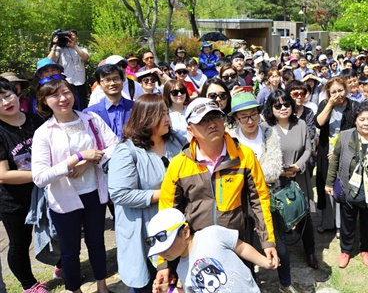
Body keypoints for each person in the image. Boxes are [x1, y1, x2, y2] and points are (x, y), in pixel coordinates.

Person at [155, 98, 277, 287]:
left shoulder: (244, 156)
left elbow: (260, 200)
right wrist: (164, 262)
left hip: (237, 245)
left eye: (215, 117)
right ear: (190, 129)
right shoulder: (179, 164)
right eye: (202, 120)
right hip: (196, 250)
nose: (211, 124)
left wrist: (268, 242)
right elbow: (167, 215)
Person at [31, 76, 118, 293]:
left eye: (66, 92)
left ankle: (102, 286)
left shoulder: (90, 119)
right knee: (69, 251)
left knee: (97, 243)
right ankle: (75, 290)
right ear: (44, 101)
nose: (62, 98)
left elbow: (115, 146)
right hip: (64, 199)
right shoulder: (43, 133)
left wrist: (89, 161)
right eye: (54, 95)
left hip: (94, 193)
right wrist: (76, 158)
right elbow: (40, 177)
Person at [108, 94, 185, 293]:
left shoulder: (177, 142)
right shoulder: (127, 152)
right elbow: (120, 194)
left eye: (167, 113)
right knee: (150, 284)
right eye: (161, 115)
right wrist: (164, 194)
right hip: (143, 230)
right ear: (145, 118)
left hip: (176, 225)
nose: (167, 119)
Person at [228, 93, 303, 291]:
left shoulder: (269, 133)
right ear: (235, 118)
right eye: (243, 117)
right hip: (240, 201)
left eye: (253, 114)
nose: (250, 120)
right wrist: (254, 173)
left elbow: (274, 169)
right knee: (246, 246)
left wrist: (249, 171)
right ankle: (251, 285)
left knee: (279, 244)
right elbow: (233, 175)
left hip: (269, 198)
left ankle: (285, 283)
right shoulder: (231, 139)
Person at [325, 101, 368, 268]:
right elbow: (335, 160)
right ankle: (346, 250)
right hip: (348, 189)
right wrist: (329, 182)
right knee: (347, 221)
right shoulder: (345, 136)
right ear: (355, 119)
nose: (366, 123)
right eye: (362, 119)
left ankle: (365, 250)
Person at [0, 78, 52, 293]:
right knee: (20, 243)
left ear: (16, 93)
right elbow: (3, 175)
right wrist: (41, 174)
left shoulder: (36, 121)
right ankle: (29, 285)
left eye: (7, 95)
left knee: (54, 232)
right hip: (13, 200)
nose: (5, 102)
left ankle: (60, 266)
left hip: (46, 192)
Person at [146, 208, 276, 293]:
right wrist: (169, 290)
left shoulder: (212, 234)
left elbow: (241, 247)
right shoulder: (181, 269)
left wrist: (264, 262)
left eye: (166, 246)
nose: (162, 253)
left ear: (185, 232)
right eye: (159, 250)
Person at [263, 90, 319, 273]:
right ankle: (280, 253)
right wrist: (280, 171)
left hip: (299, 176)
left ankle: (310, 251)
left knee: (303, 214)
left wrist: (298, 166)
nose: (283, 108)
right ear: (271, 108)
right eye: (277, 105)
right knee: (278, 216)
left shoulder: (301, 124)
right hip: (276, 181)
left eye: (286, 104)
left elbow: (308, 149)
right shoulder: (266, 128)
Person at [315, 77, 356, 236]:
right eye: (333, 92)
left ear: (346, 89)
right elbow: (319, 123)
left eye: (340, 90)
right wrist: (330, 104)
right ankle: (327, 222)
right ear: (328, 93)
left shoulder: (353, 106)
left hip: (346, 149)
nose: (338, 94)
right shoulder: (325, 105)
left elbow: (357, 132)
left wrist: (342, 150)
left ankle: (340, 225)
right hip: (326, 150)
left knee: (342, 186)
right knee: (326, 184)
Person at [84, 64, 134, 140]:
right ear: (99, 84)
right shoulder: (89, 114)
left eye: (116, 78)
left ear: (122, 80)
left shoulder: (137, 108)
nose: (112, 83)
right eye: (107, 80)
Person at [48, 29, 89, 110]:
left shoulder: (81, 49)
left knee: (82, 106)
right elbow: (50, 61)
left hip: (80, 82)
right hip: (66, 82)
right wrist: (54, 46)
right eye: (68, 35)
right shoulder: (59, 49)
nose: (70, 37)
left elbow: (85, 58)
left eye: (72, 35)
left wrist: (74, 46)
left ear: (76, 37)